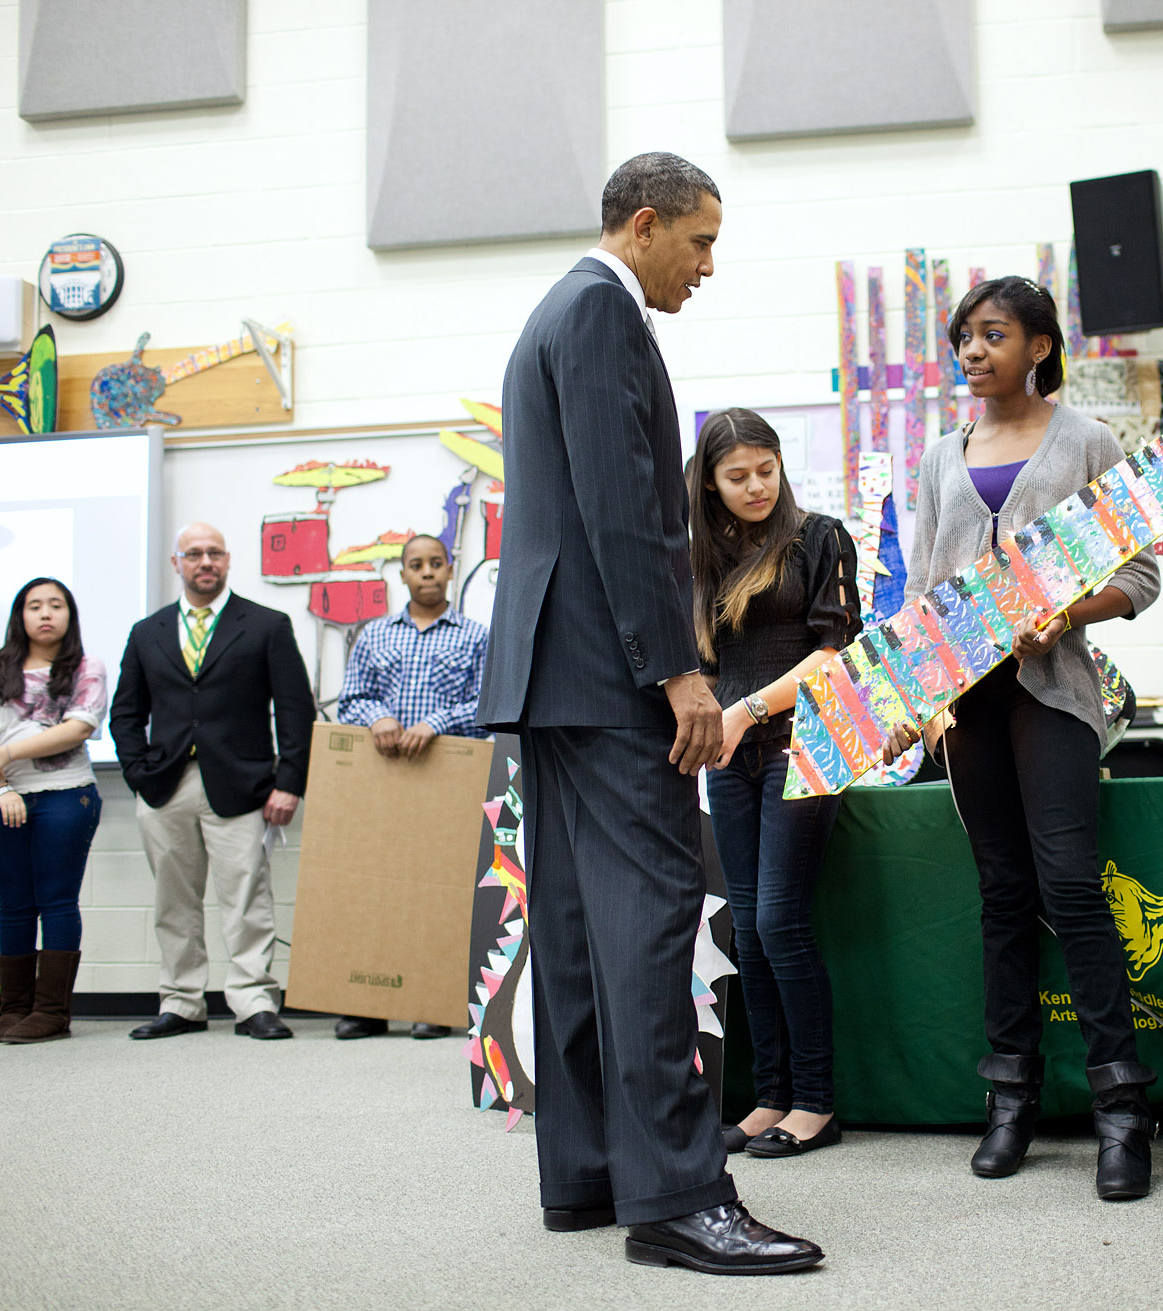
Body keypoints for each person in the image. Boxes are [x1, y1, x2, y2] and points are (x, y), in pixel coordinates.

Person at [477, 152, 821, 1275]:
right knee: (654, 917)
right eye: (700, 241)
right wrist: (679, 672)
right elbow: (628, 513)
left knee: (578, 929)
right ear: (642, 225)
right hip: (611, 675)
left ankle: (589, 1176)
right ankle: (676, 1196)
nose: (709, 265)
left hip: (553, 675)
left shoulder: (557, 315)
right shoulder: (603, 315)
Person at [887, 275, 1163, 1201]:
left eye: (992, 334)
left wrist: (1068, 610)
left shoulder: (1087, 440)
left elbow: (1144, 575)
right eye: (964, 336)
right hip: (966, 703)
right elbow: (925, 587)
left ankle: (1123, 1111)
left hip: (1054, 695)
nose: (972, 350)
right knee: (1002, 893)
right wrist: (915, 694)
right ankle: (1011, 1096)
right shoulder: (937, 457)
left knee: (1071, 888)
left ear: (1039, 345)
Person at [690, 409, 860, 1159]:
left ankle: (816, 1103)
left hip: (806, 743)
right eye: (737, 475)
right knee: (751, 929)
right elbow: (699, 660)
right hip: (732, 755)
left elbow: (835, 654)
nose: (757, 485)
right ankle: (770, 1097)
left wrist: (745, 709)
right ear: (710, 481)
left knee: (781, 922)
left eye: (767, 468)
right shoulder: (696, 556)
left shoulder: (819, 537)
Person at [110, 522, 315, 1042]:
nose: (206, 562)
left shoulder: (267, 625)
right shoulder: (146, 632)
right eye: (194, 554)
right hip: (165, 787)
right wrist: (137, 772)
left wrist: (289, 781)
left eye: (215, 553)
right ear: (175, 563)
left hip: (243, 788)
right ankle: (181, 1002)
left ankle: (253, 1003)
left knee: (247, 898)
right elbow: (125, 714)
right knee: (172, 902)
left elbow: (295, 711)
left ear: (228, 561)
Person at [333, 532, 491, 1040]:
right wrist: (379, 716)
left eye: (436, 564)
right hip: (382, 785)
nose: (426, 572)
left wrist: (436, 723)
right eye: (415, 565)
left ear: (450, 570)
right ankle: (367, 1006)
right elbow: (350, 700)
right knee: (375, 888)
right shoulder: (373, 636)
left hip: (448, 783)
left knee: (441, 890)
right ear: (400, 575)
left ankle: (431, 1001)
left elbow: (488, 707)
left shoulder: (476, 637)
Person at [0, 578, 107, 1044]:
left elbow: (77, 729)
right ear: (20, 616)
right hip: (1, 799)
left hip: (66, 794)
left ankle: (51, 1013)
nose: (45, 614)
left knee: (56, 901)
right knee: (14, 906)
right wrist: (1, 787)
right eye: (34, 606)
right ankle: (13, 1009)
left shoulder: (87, 667)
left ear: (70, 615)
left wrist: (6, 759)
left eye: (56, 605)